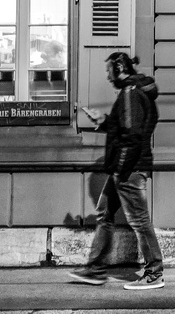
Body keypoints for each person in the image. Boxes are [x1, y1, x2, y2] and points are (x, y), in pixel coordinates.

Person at [70, 53, 164, 290]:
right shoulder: (134, 93)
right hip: (127, 168)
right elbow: (126, 127)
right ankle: (95, 269)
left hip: (129, 169)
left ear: (119, 68)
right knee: (104, 213)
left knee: (140, 221)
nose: (107, 75)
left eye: (108, 70)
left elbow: (131, 136)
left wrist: (120, 170)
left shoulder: (131, 93)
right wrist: (103, 121)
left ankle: (154, 272)